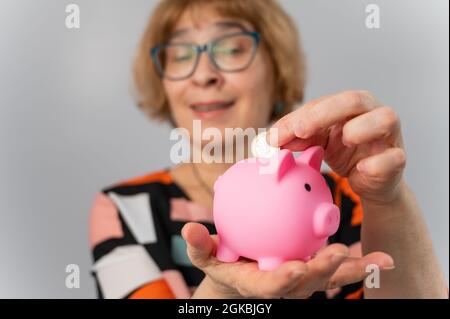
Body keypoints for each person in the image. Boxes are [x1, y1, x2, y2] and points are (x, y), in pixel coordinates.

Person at [88, 0, 447, 299]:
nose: (203, 74)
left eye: (231, 48)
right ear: (163, 82)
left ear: (277, 70)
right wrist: (223, 289)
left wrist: (388, 200)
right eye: (180, 55)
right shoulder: (126, 209)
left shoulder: (351, 202)